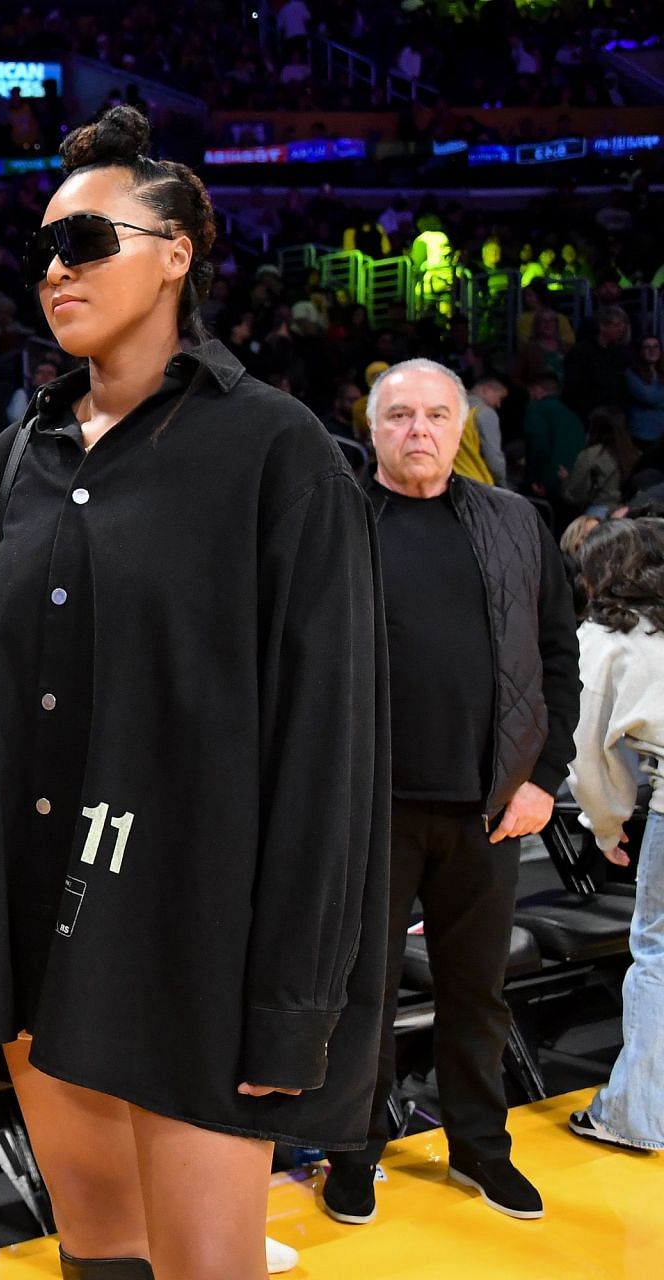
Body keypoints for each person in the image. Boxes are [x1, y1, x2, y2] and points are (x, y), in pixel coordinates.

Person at [0, 106, 387, 1280]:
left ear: (177, 252)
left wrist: (294, 996)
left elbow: (327, 741)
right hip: (35, 925)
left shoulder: (279, 452)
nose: (54, 271)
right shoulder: (12, 462)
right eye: (42, 248)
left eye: (86, 242)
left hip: (193, 938)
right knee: (98, 1256)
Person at [325, 358, 580, 1227]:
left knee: (479, 993)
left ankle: (480, 1149)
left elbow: (557, 659)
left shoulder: (516, 522)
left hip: (491, 807)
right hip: (370, 809)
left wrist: (545, 781)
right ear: (372, 428)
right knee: (359, 996)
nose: (419, 431)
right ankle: (354, 1154)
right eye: (400, 416)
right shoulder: (335, 524)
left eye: (437, 414)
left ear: (463, 425)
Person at [565, 517, 664, 1153]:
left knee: (657, 956)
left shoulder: (606, 636)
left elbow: (588, 751)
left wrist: (605, 827)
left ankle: (634, 1115)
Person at [523, 371, 587, 506]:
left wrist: (537, 479)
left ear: (538, 389)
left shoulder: (536, 410)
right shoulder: (572, 415)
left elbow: (538, 447)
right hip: (571, 481)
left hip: (546, 484)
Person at [564, 408, 639, 516]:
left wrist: (566, 479)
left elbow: (576, 495)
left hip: (598, 512)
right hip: (626, 512)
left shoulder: (591, 455)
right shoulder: (635, 454)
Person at [565, 305, 630, 419]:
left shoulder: (618, 352)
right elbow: (574, 386)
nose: (621, 329)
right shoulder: (582, 351)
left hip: (614, 412)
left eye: (623, 325)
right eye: (617, 325)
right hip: (589, 414)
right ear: (602, 326)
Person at [470, 376, 510, 485]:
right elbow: (493, 459)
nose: (498, 404)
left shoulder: (453, 410)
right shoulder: (485, 414)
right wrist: (503, 484)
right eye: (499, 398)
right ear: (487, 390)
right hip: (478, 482)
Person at [628, 333, 664, 446]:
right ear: (640, 351)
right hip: (642, 433)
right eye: (647, 347)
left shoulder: (661, 372)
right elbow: (648, 397)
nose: (652, 350)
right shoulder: (631, 373)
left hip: (661, 433)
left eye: (655, 346)